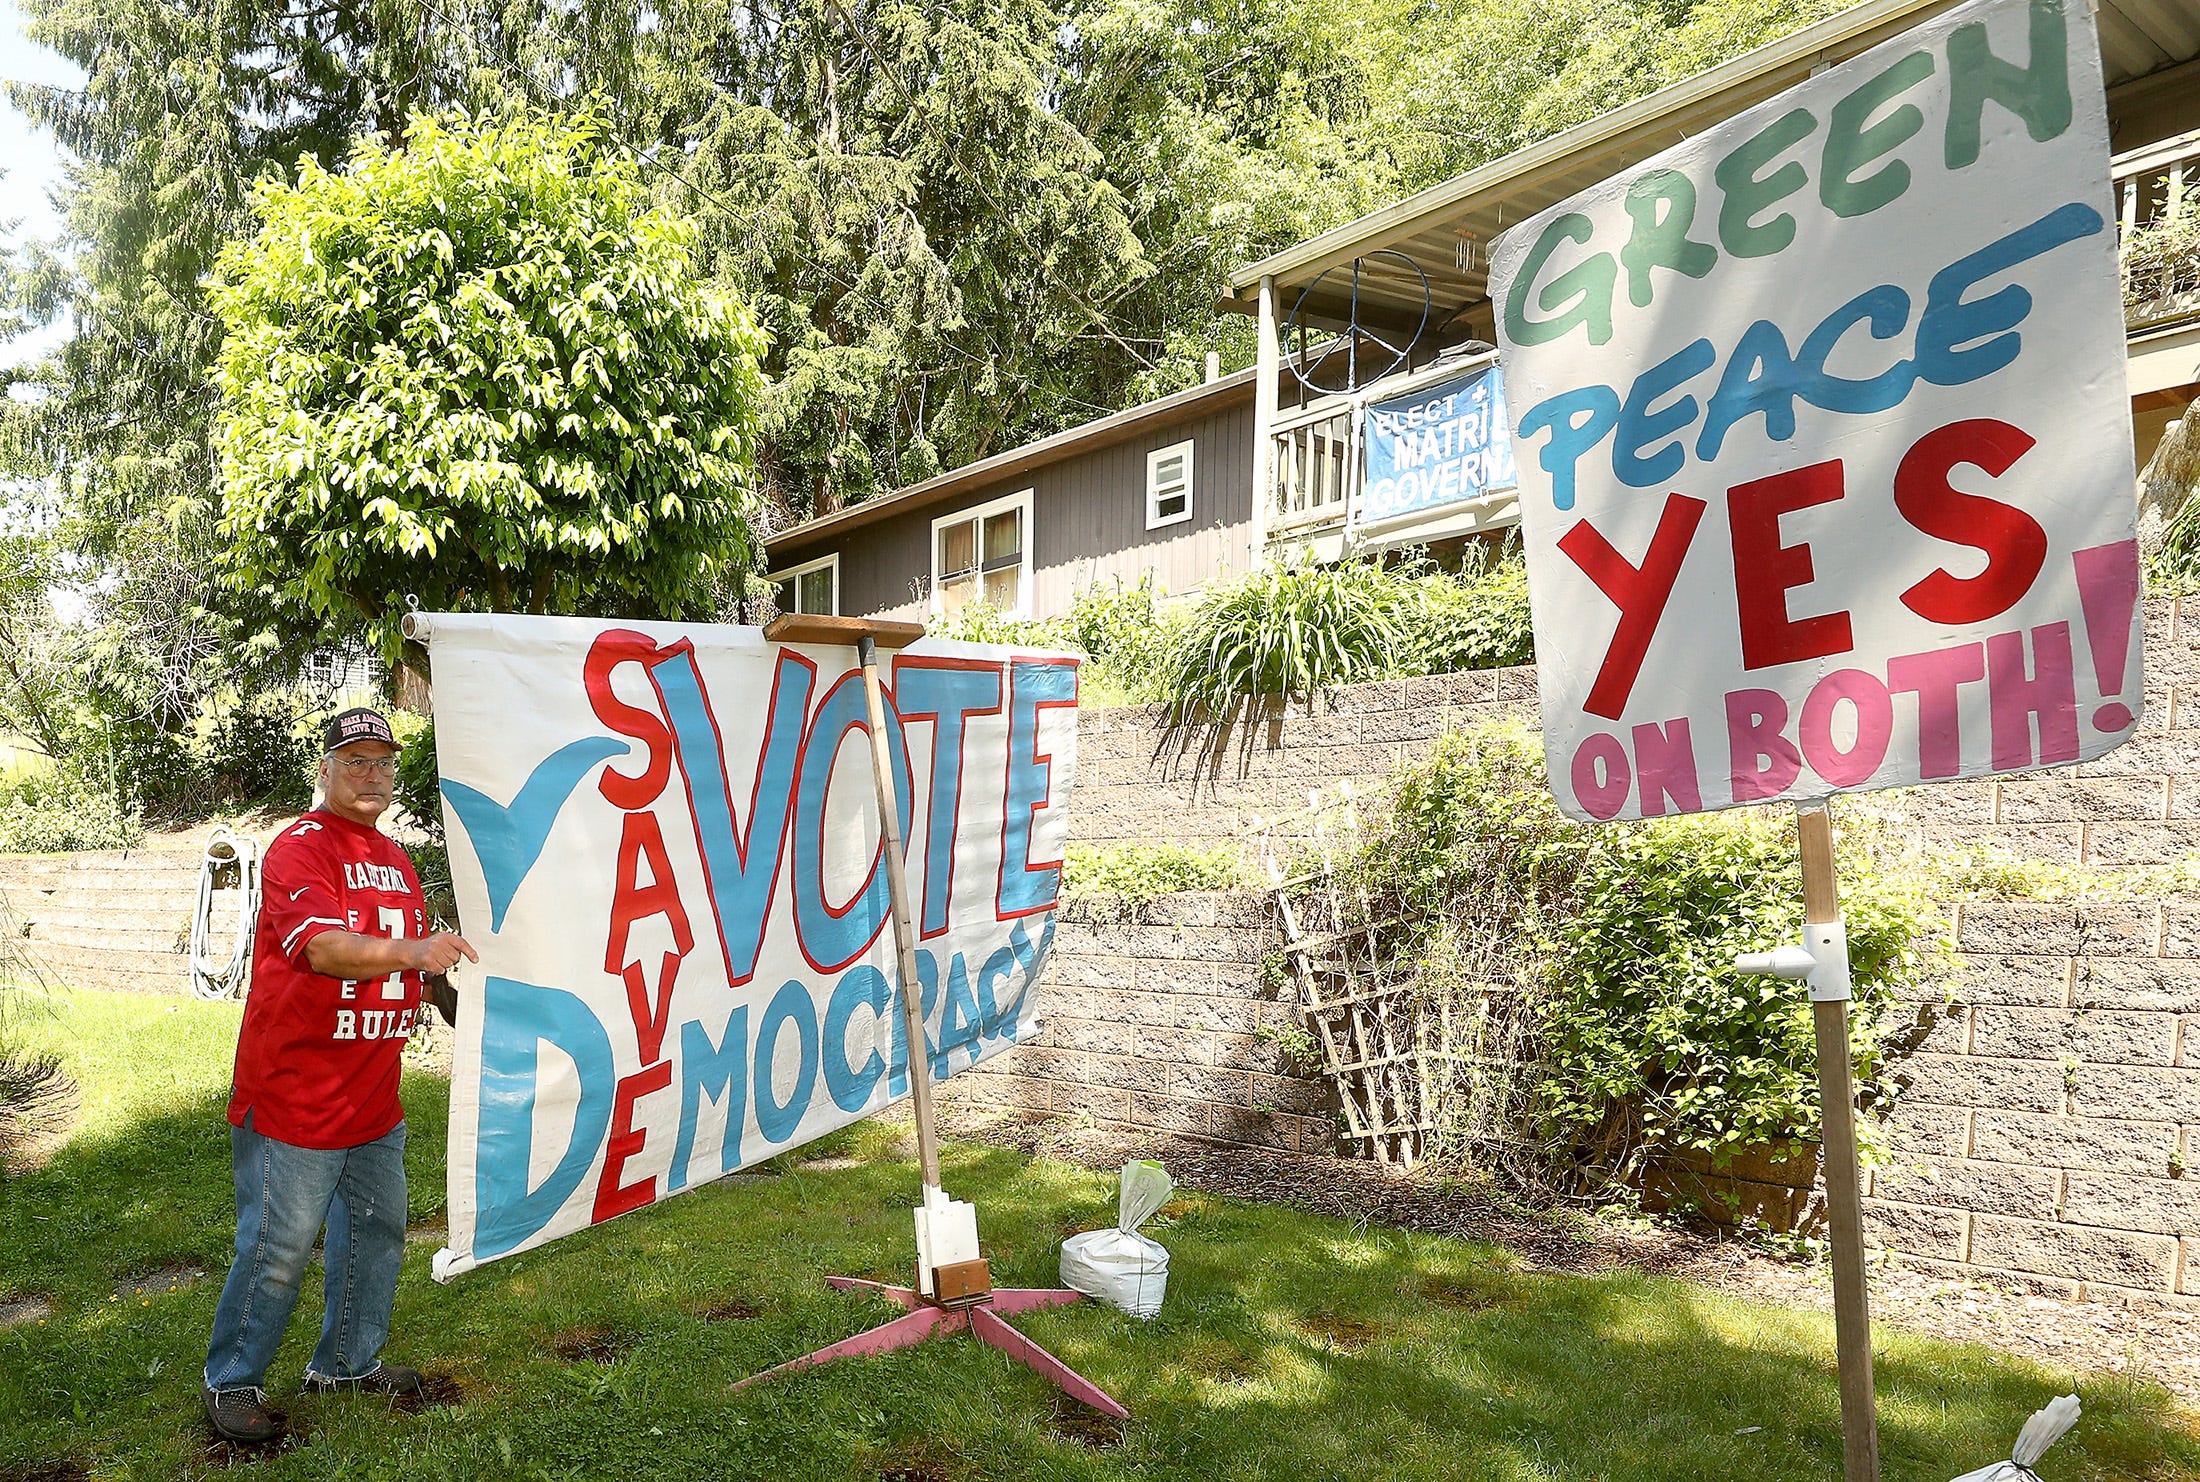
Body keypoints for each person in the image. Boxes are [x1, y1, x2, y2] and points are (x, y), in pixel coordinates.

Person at [200, 707, 477, 1444]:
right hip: (296, 1095)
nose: (372, 775)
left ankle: (347, 1364)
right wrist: (416, 955)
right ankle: (231, 1381)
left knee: (379, 1234)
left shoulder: (395, 858)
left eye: (383, 763)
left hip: (373, 1099)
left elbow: (396, 966)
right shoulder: (301, 848)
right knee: (278, 1251)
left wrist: (444, 988)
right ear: (323, 769)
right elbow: (323, 949)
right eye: (354, 761)